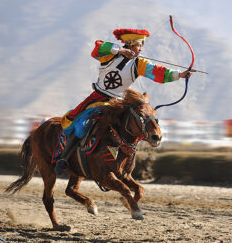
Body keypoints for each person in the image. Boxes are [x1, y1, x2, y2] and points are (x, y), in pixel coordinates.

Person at [55, 28, 192, 174]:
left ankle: (125, 164)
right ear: (130, 44)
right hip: (97, 99)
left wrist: (180, 75)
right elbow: (98, 47)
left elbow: (158, 71)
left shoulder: (139, 64)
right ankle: (64, 158)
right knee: (81, 126)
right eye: (139, 45)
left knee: (134, 125)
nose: (141, 49)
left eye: (141, 46)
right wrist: (120, 50)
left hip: (118, 104)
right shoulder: (109, 55)